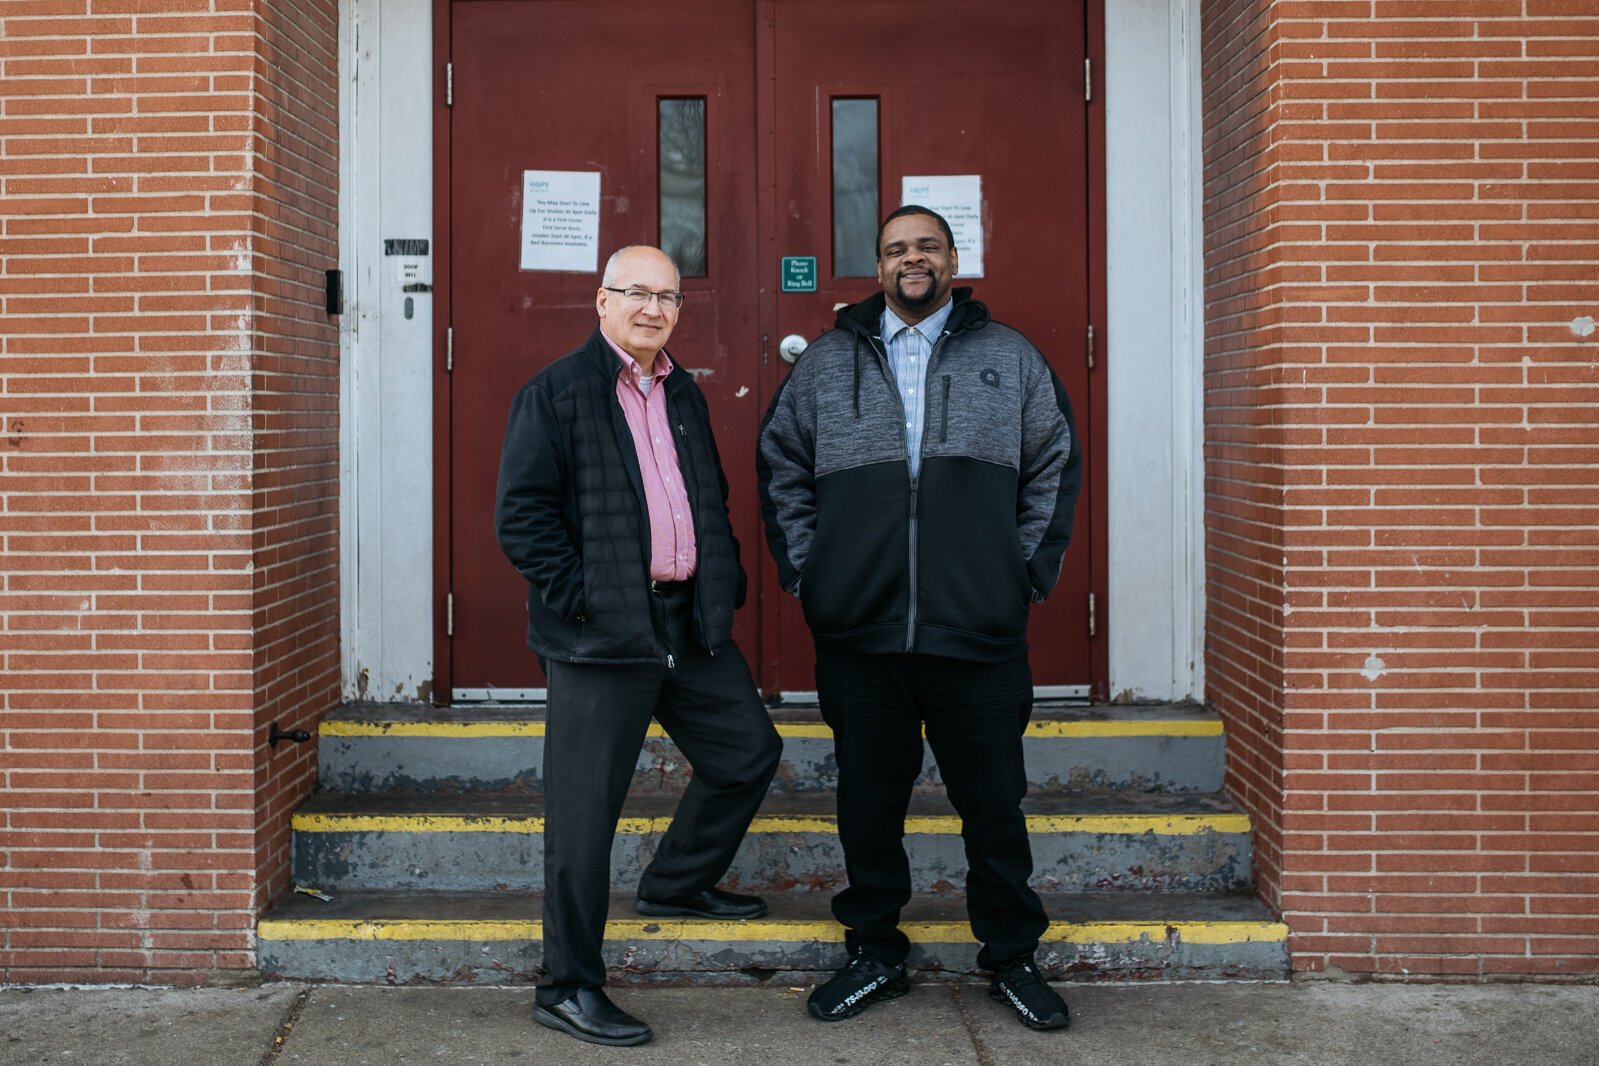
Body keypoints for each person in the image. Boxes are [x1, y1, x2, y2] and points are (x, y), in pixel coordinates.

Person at [758, 206, 1081, 1030]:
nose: (912, 259)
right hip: (861, 636)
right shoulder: (829, 364)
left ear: (950, 259)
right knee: (868, 805)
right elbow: (780, 467)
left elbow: (1052, 461)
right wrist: (811, 574)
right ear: (877, 266)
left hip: (978, 634)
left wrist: (1020, 575)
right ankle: (873, 952)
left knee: (994, 806)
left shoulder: (1007, 356)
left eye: (926, 247)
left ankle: (1010, 957)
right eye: (897, 249)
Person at [496, 245, 781, 1047]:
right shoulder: (555, 393)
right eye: (635, 294)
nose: (652, 309)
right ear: (601, 301)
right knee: (583, 821)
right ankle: (567, 986)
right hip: (598, 639)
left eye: (667, 297)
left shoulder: (681, 390)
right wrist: (587, 600)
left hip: (687, 625)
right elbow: (522, 519)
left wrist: (716, 583)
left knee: (746, 752)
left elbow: (706, 497)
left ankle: (675, 882)